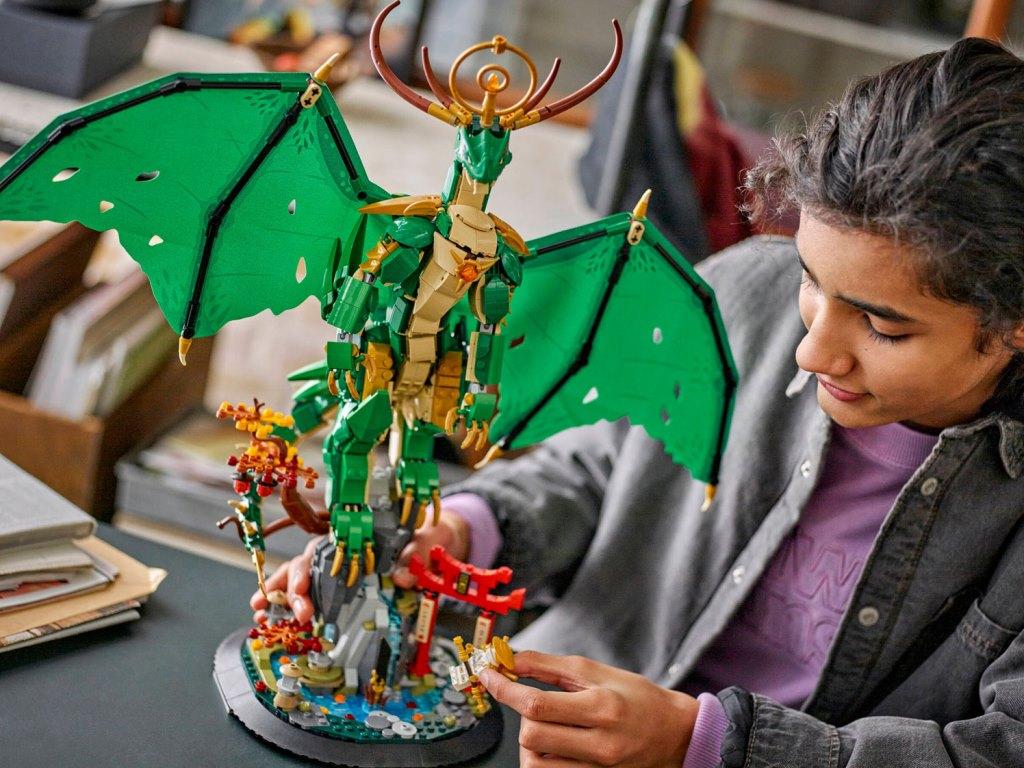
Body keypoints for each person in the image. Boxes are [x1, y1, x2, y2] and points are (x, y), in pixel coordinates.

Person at [252, 38, 1024, 767]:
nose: (811, 352)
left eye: (883, 327)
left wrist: (703, 745)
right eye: (811, 282)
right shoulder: (739, 296)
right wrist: (465, 529)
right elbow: (599, 467)